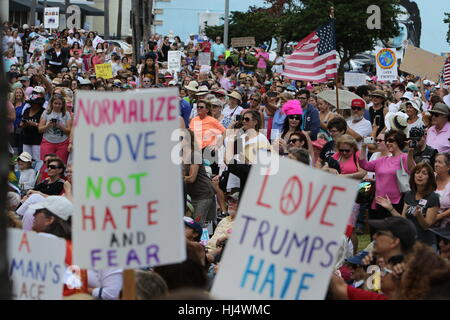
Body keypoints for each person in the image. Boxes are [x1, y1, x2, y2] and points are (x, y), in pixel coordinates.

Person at [30, 195, 88, 297]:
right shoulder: (75, 247)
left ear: (49, 220)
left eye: (38, 211)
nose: (34, 215)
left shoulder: (43, 243)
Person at [376, 162, 440, 249]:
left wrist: (419, 216)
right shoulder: (409, 195)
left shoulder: (433, 197)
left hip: (426, 245)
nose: (419, 175)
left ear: (429, 178)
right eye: (417, 172)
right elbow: (404, 220)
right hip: (411, 243)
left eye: (424, 173)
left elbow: (426, 226)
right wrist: (391, 208)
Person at [359, 130, 415, 222]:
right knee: (376, 234)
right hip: (378, 201)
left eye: (391, 140)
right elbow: (364, 165)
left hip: (395, 202)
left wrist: (411, 152)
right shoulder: (382, 160)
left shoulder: (404, 157)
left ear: (399, 141)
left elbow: (413, 169)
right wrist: (364, 147)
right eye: (387, 141)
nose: (388, 143)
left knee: (391, 234)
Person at [182, 129, 216, 228]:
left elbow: (192, 178)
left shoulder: (194, 154)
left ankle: (202, 243)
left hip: (203, 194)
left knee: (196, 226)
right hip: (191, 195)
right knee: (188, 226)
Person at [38, 94, 72, 164]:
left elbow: (69, 131)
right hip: (48, 141)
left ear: (63, 105)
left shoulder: (66, 114)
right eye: (55, 103)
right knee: (45, 165)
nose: (57, 105)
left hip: (62, 143)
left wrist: (60, 126)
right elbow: (40, 129)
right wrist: (48, 125)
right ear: (52, 103)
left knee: (60, 164)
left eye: (59, 104)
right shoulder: (46, 113)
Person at [20, 88, 46, 161]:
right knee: (25, 159)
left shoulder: (43, 111)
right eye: (31, 102)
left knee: (37, 160)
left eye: (34, 103)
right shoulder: (27, 110)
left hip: (37, 140)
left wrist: (35, 124)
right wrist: (24, 124)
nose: (32, 104)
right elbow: (21, 123)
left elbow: (43, 126)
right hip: (26, 139)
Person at [434, 153, 450, 228]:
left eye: (439, 162)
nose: (436, 164)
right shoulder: (430, 178)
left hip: (445, 226)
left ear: (448, 167)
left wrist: (439, 216)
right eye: (435, 161)